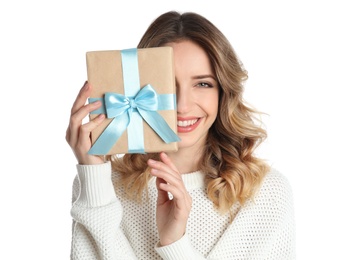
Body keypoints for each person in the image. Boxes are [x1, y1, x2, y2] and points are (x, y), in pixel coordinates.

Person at [66, 11, 295, 259]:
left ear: (223, 93)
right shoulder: (100, 184)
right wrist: (94, 178)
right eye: (169, 85)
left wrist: (175, 243)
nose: (183, 105)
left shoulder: (266, 194)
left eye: (203, 84)